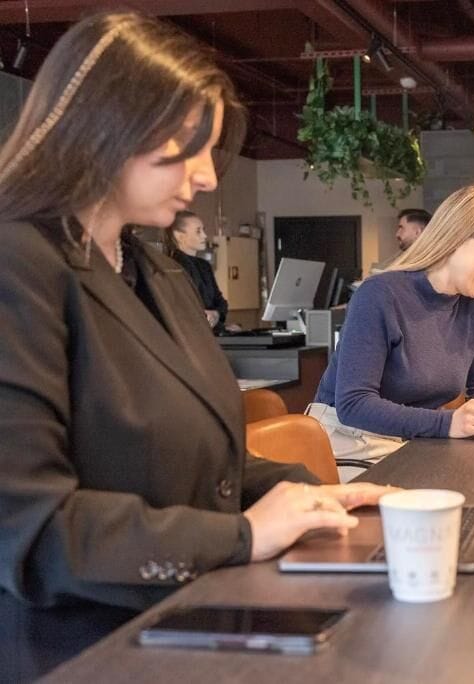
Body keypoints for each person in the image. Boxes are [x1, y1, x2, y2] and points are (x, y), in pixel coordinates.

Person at [0, 11, 390, 610]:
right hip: (88, 647)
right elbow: (31, 532)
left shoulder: (153, 269)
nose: (207, 176)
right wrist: (245, 536)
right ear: (106, 128)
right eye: (188, 148)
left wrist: (313, 493)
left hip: (194, 612)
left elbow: (210, 472)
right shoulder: (18, 265)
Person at [309, 185, 474, 462]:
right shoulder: (379, 295)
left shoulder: (472, 306)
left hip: (413, 442)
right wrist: (448, 423)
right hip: (349, 441)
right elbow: (354, 405)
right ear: (459, 236)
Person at [164, 210, 229, 332]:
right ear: (179, 235)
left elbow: (221, 302)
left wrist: (216, 314)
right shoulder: (173, 266)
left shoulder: (204, 266)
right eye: (198, 231)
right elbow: (183, 308)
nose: (204, 235)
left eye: (203, 230)